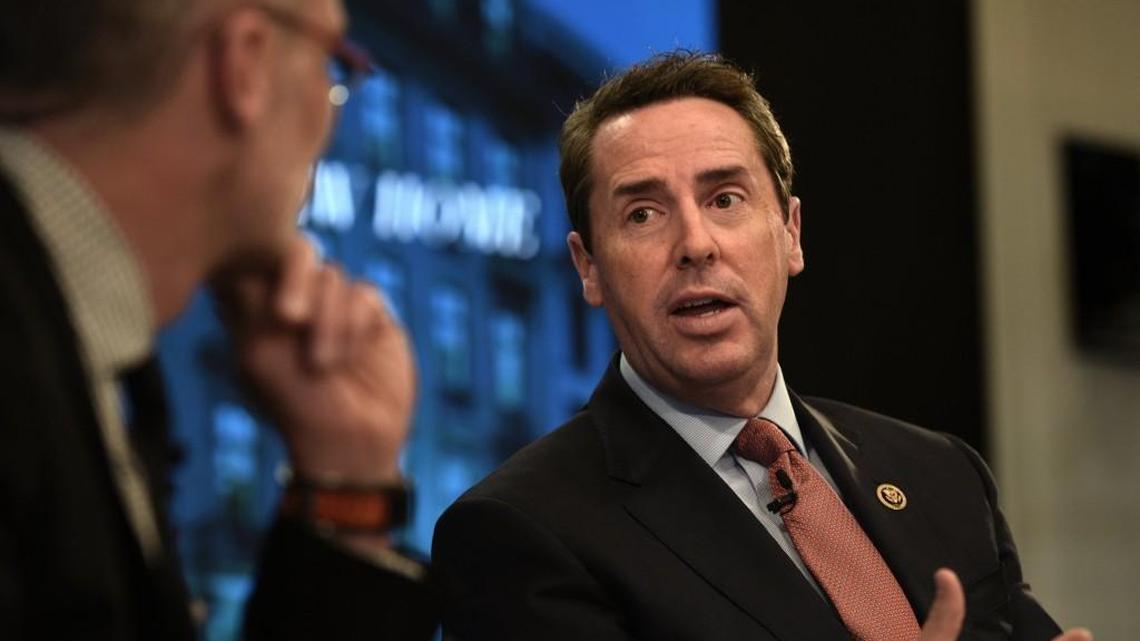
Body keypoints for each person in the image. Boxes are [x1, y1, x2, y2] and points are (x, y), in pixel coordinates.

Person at [432, 52, 1092, 641]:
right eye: (643, 214)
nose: (696, 244)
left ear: (791, 233)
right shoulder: (519, 531)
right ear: (590, 268)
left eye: (725, 199)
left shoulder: (942, 474)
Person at [0, 1, 435, 639]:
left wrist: (348, 478)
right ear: (246, 62)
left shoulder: (85, 351)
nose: (331, 113)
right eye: (333, 64)